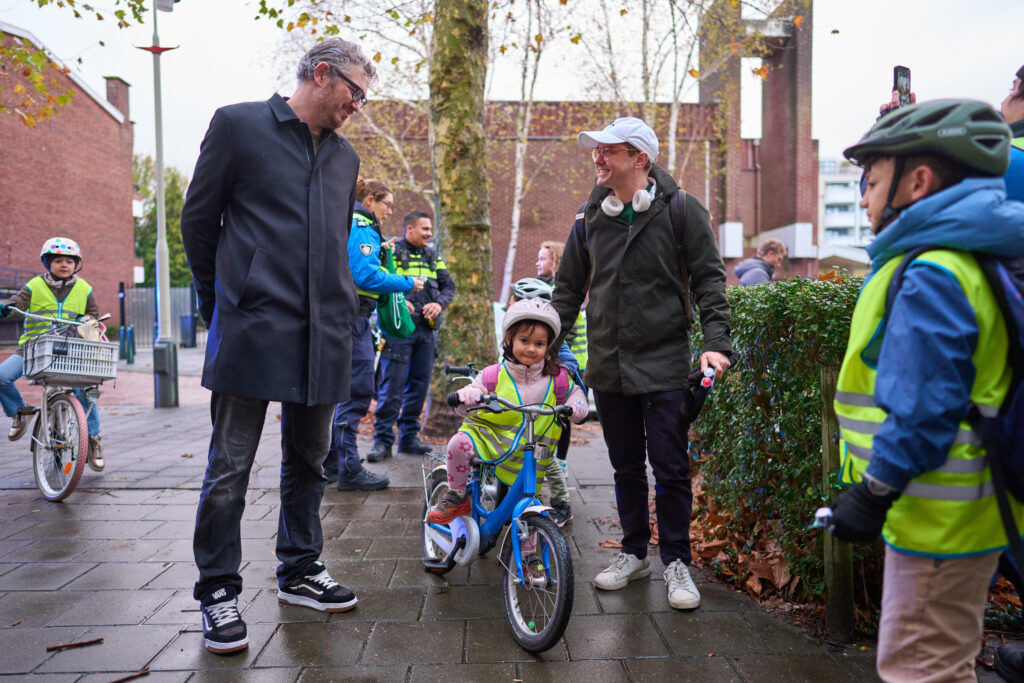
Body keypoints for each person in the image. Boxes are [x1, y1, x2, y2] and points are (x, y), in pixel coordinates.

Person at [180, 37, 375, 656]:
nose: (357, 107)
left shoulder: (345, 159)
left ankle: (299, 569)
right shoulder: (237, 126)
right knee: (230, 467)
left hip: (324, 335)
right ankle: (217, 590)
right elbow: (197, 221)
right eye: (355, 93)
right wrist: (224, 303)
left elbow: (337, 240)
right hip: (252, 329)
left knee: (309, 464)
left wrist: (342, 308)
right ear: (322, 74)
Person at [828, 99, 1024, 682]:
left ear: (917, 181)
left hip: (940, 521)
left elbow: (923, 408)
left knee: (921, 670)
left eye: (871, 179)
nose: (862, 194)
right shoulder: (961, 260)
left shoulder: (932, 273)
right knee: (944, 663)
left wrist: (873, 492)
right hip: (956, 516)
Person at [549, 116, 732, 611]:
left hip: (667, 365)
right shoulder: (588, 220)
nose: (598, 158)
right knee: (625, 467)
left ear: (641, 159)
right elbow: (567, 292)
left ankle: (676, 560)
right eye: (596, 150)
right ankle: (633, 553)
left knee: (670, 469)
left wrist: (717, 343)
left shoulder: (683, 211)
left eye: (609, 150)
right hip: (609, 366)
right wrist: (544, 348)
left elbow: (710, 283)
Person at [427, 298, 588, 550]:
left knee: (529, 503)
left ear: (549, 347)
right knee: (458, 444)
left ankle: (531, 558)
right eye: (524, 341)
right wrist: (467, 396)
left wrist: (578, 406)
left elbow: (575, 393)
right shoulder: (493, 375)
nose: (532, 349)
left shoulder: (557, 378)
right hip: (487, 436)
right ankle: (458, 495)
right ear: (510, 340)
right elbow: (471, 392)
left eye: (540, 344)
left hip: (530, 449)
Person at [327, 178, 423, 490]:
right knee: (357, 389)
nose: (389, 211)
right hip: (352, 319)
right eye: (387, 204)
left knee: (343, 390)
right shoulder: (361, 225)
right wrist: (406, 283)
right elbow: (364, 275)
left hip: (345, 316)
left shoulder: (349, 220)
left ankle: (331, 464)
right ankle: (348, 468)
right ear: (370, 200)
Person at [0, 237, 104, 469]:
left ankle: (93, 439)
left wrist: (87, 320)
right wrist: (6, 307)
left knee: (87, 391)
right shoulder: (34, 286)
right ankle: (20, 412)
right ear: (48, 263)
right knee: (2, 376)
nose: (64, 265)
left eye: (69, 261)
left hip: (72, 351)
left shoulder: (85, 288)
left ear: (76, 264)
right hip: (33, 348)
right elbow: (18, 301)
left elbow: (93, 314)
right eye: (57, 260)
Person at [368, 210, 454, 462]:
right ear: (409, 229)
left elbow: (449, 286)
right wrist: (398, 300)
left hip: (426, 332)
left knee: (419, 386)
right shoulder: (392, 251)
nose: (430, 233)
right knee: (392, 387)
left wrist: (439, 303)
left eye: (430, 229)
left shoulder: (432, 255)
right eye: (425, 229)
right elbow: (379, 281)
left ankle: (408, 439)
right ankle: (382, 442)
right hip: (398, 330)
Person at [507, 277, 579, 527]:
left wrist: (556, 376)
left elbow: (570, 363)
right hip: (516, 408)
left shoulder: (546, 340)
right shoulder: (513, 335)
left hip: (540, 411)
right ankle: (512, 501)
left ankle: (561, 503)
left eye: (513, 299)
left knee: (545, 459)